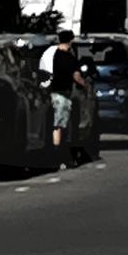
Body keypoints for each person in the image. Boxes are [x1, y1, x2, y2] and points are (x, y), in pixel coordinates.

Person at [47, 29, 86, 165]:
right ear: (70, 41)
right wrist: (84, 84)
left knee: (54, 125)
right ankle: (58, 154)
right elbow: (76, 76)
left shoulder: (52, 55)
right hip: (63, 94)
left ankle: (54, 152)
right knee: (60, 126)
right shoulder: (69, 58)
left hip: (50, 93)